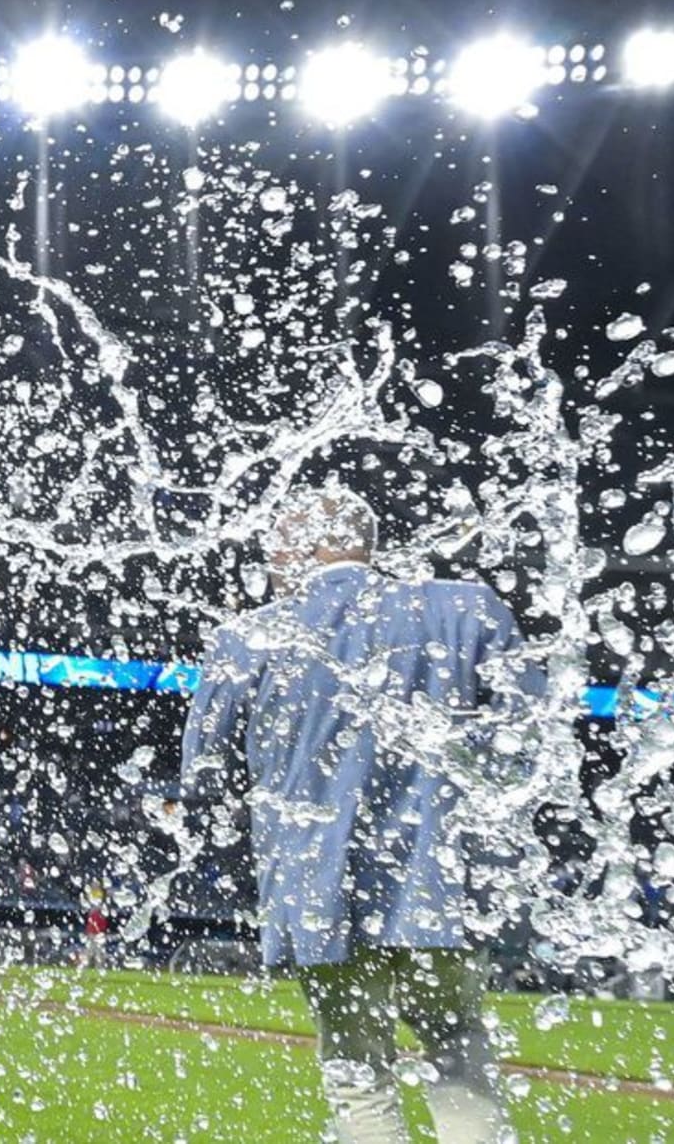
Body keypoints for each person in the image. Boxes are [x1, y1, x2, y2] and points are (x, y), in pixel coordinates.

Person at [180, 489, 536, 1144]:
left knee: (358, 1073)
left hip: (319, 888)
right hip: (442, 883)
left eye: (274, 547)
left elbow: (202, 768)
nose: (270, 563)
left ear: (303, 548)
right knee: (459, 1052)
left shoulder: (250, 635)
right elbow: (528, 742)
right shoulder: (466, 607)